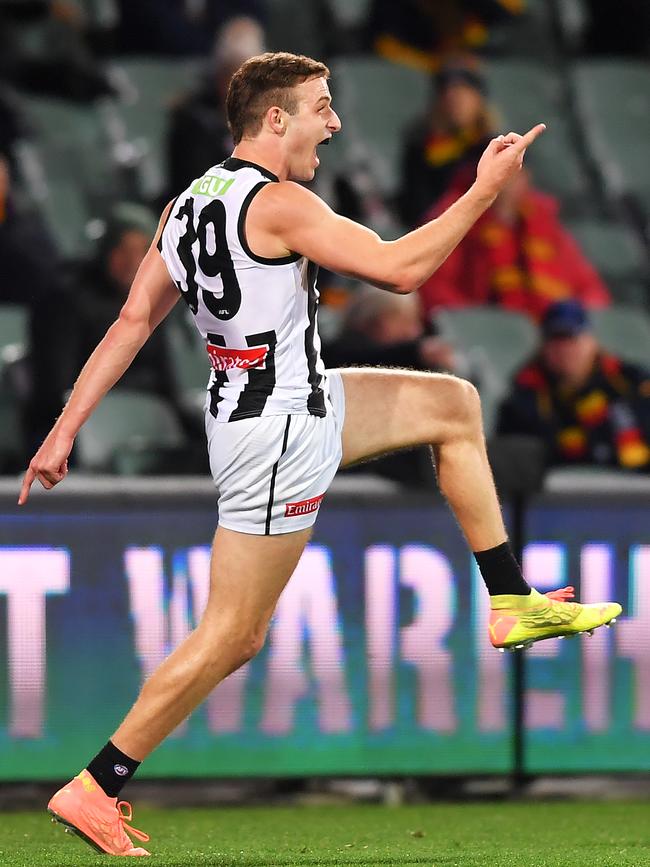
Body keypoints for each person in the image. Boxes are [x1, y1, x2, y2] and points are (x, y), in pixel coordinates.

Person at [18, 52, 620, 856]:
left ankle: (511, 597)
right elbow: (402, 271)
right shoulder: (281, 205)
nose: (334, 123)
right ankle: (97, 782)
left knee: (454, 405)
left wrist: (63, 429)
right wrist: (482, 188)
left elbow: (133, 323)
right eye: (321, 108)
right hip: (281, 430)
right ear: (275, 120)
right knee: (233, 634)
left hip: (284, 402)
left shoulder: (187, 205)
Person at [418, 167, 611, 321]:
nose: (508, 180)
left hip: (552, 334)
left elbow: (589, 287)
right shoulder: (455, 218)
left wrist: (575, 319)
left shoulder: (546, 224)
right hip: (491, 331)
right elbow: (433, 284)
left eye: (515, 170)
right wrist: (476, 324)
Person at [497, 300, 650, 470]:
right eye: (555, 340)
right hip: (560, 491)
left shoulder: (627, 379)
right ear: (543, 347)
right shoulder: (524, 390)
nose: (564, 350)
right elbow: (519, 453)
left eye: (572, 339)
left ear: (591, 342)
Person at [397, 55, 494, 228]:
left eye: (463, 94)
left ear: (478, 100)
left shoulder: (494, 147)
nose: (456, 102)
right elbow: (416, 210)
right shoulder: (422, 149)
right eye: (448, 95)